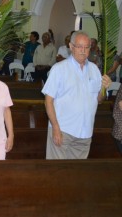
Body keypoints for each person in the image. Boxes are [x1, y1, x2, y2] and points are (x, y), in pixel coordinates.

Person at [43, 31, 111, 159]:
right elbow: (48, 101)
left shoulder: (94, 69)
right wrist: (56, 128)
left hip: (85, 133)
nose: (83, 51)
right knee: (57, 173)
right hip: (63, 130)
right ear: (71, 46)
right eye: (79, 46)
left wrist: (103, 88)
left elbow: (99, 100)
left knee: (77, 175)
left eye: (86, 47)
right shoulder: (59, 69)